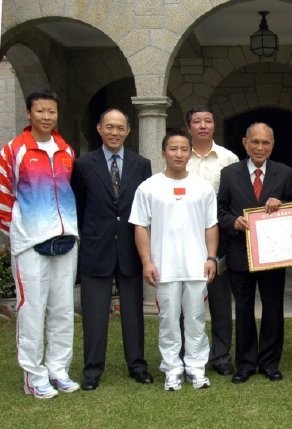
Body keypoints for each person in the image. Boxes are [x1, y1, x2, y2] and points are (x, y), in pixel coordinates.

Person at [0, 88, 80, 399]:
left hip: (66, 239)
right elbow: (4, 196)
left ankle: (58, 369)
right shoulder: (13, 150)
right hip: (31, 242)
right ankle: (33, 375)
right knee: (31, 309)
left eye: (52, 112)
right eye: (40, 111)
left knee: (62, 309)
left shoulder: (66, 150)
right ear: (29, 113)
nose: (46, 117)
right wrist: (18, 232)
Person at [129, 130, 218, 391]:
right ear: (163, 152)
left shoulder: (202, 187)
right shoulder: (149, 187)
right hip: (164, 267)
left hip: (196, 266)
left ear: (190, 152)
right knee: (168, 320)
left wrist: (211, 257)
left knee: (196, 319)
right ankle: (172, 369)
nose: (179, 154)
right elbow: (141, 227)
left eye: (183, 149)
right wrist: (147, 261)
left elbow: (210, 226)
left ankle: (196, 368)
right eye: (173, 149)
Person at [71, 109, 153, 390]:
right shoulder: (83, 164)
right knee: (94, 314)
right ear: (99, 128)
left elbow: (144, 208)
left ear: (128, 130)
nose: (115, 132)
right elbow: (79, 206)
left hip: (130, 248)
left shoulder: (141, 164)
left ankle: (138, 365)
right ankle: (92, 370)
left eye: (120, 127)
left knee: (133, 312)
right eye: (109, 127)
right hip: (97, 247)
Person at [217, 123, 292, 384]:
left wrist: (282, 204)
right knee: (244, 308)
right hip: (240, 252)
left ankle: (270, 362)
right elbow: (220, 211)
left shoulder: (284, 173)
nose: (260, 147)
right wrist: (233, 222)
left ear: (272, 145)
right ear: (245, 143)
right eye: (255, 142)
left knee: (273, 308)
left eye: (266, 143)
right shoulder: (229, 174)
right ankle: (246, 364)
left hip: (273, 254)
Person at [185, 106, 239, 377]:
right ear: (189, 127)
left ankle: (220, 355)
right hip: (186, 235)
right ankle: (190, 353)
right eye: (197, 121)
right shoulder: (182, 156)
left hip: (221, 236)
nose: (203, 125)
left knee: (219, 299)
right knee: (188, 300)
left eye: (208, 120)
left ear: (214, 125)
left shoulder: (228, 158)